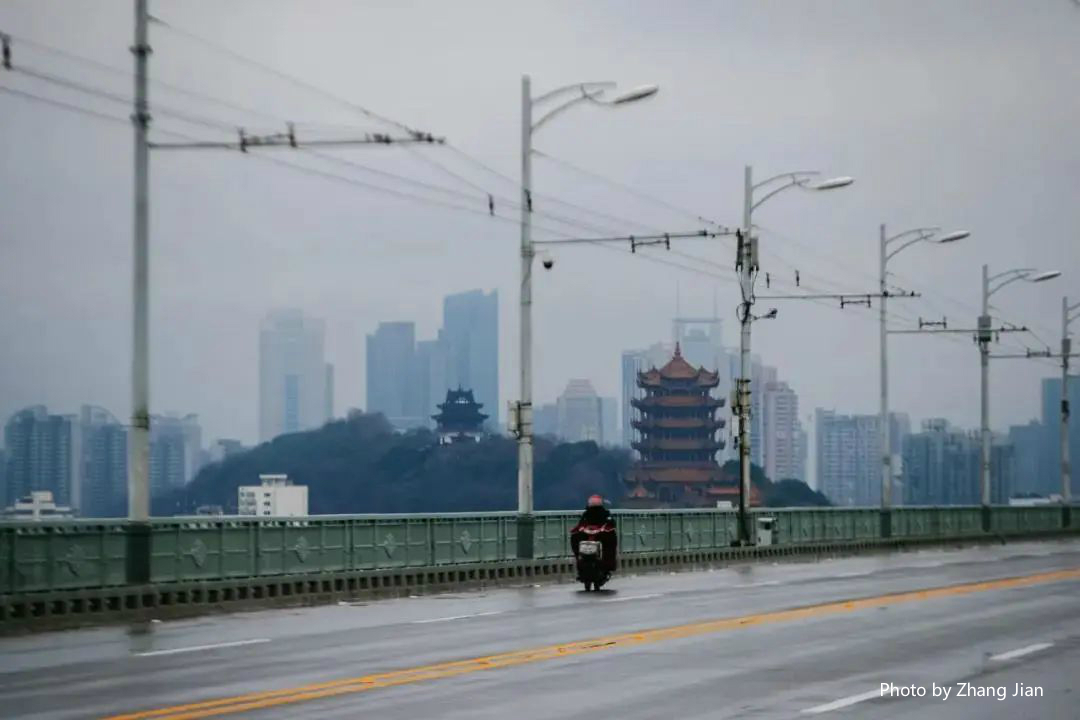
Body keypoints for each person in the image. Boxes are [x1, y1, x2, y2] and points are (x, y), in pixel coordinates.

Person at [571, 494, 617, 572]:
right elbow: (612, 524)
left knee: (610, 542)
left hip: (597, 534)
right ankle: (608, 563)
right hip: (591, 534)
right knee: (611, 542)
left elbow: (580, 524)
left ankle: (608, 563)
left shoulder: (587, 513)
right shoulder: (603, 513)